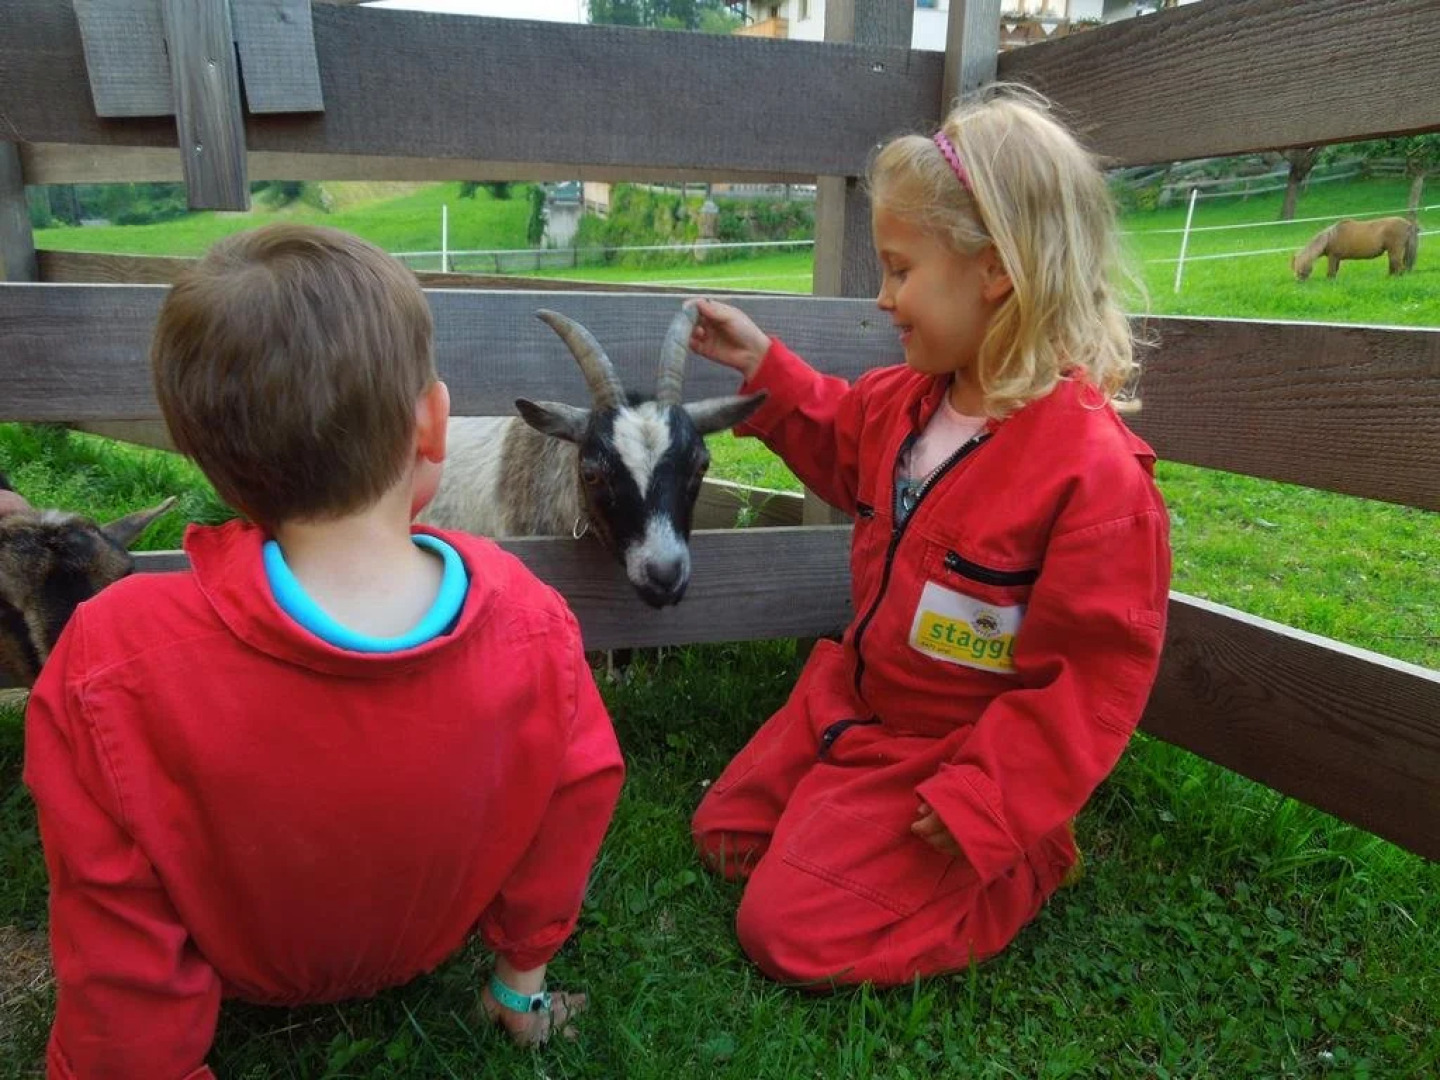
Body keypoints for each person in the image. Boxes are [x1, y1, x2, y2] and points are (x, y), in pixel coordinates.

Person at [23, 224, 624, 1076]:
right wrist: (523, 979)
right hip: (427, 941)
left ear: (209, 457)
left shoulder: (112, 657)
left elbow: (108, 908)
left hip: (244, 967)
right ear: (432, 424)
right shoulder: (533, 621)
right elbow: (574, 804)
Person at [687, 85, 1171, 987]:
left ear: (993, 270)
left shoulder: (1092, 476)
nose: (882, 298)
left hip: (955, 748)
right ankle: (846, 822)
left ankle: (1012, 864)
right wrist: (765, 369)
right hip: (856, 702)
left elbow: (1090, 680)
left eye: (900, 270)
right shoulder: (907, 402)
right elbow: (834, 434)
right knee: (725, 836)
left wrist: (992, 799)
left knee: (784, 932)